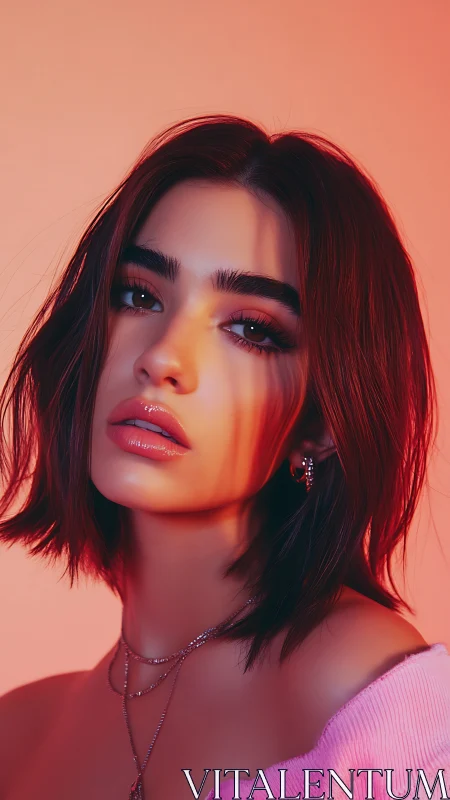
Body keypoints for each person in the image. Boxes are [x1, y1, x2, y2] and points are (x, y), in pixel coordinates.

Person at [0, 114, 448, 800]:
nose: (162, 359)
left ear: (321, 423)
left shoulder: (366, 690)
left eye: (252, 329)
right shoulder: (18, 734)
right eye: (139, 296)